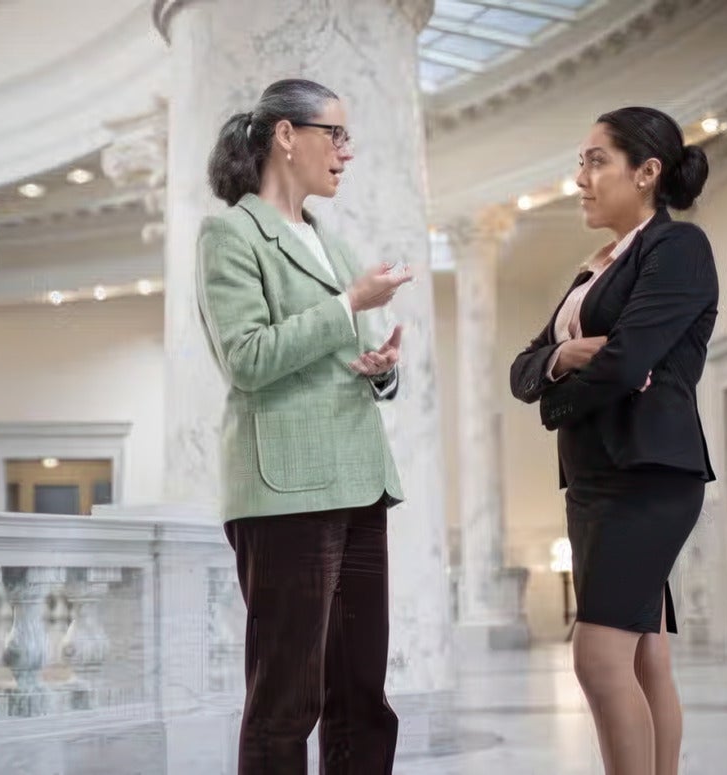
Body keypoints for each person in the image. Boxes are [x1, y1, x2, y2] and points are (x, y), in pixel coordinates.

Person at [196, 78, 412, 775]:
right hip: (285, 489)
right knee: (286, 702)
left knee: (362, 695)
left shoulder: (330, 241)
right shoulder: (230, 233)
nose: (347, 153)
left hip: (358, 481)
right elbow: (248, 359)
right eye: (336, 135)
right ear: (286, 135)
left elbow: (351, 351)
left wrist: (380, 368)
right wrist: (349, 305)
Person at [510, 106, 718, 775]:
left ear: (647, 172)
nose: (581, 178)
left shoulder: (678, 249)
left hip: (650, 472)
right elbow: (524, 369)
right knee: (643, 653)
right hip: (594, 475)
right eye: (581, 163)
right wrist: (565, 359)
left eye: (597, 161)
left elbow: (629, 363)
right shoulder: (594, 268)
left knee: (597, 657)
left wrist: (557, 391)